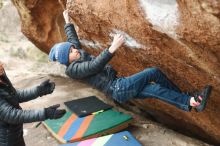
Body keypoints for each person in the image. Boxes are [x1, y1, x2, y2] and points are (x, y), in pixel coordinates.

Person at [49, 10, 212, 113]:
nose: (75, 49)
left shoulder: (75, 55)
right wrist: (112, 48)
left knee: (155, 87)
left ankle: (188, 101)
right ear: (66, 60)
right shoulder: (74, 70)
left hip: (119, 85)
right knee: (151, 72)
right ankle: (190, 101)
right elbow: (94, 66)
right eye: (70, 51)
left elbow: (73, 41)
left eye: (72, 48)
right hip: (117, 88)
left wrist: (67, 22)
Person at [0, 62, 66, 146]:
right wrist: (45, 113)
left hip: (14, 132)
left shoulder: (1, 76)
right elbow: (12, 115)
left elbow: (14, 95)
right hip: (6, 140)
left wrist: (38, 90)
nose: (2, 64)